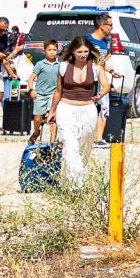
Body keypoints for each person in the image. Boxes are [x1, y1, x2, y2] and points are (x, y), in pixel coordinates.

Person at [47, 36, 109, 182]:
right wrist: (52, 111)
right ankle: (77, 184)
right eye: (79, 52)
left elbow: (106, 85)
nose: (83, 55)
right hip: (66, 109)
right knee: (70, 144)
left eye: (86, 51)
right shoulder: (63, 67)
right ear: (73, 51)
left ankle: (67, 177)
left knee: (86, 146)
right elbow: (58, 91)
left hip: (88, 109)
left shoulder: (95, 67)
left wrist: (101, 93)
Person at [24, 41, 62, 144]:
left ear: (57, 51)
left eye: (54, 50)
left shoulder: (60, 65)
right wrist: (32, 90)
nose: (52, 52)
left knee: (53, 117)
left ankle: (52, 141)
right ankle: (36, 132)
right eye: (49, 50)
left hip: (53, 95)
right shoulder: (40, 64)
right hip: (40, 94)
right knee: (37, 118)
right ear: (44, 51)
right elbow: (31, 78)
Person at [102, 36, 134, 144]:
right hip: (102, 87)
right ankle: (101, 137)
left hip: (106, 87)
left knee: (104, 110)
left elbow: (101, 63)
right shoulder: (104, 50)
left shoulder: (108, 54)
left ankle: (104, 136)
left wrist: (111, 72)